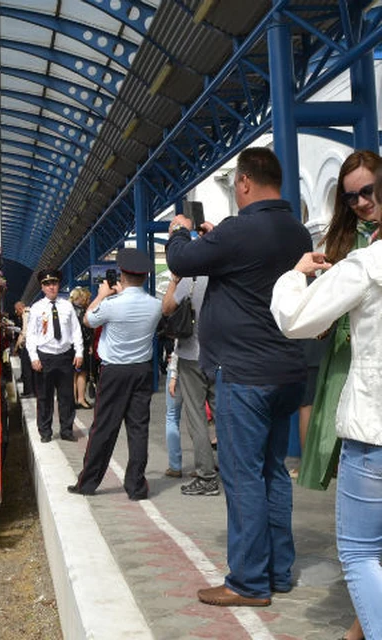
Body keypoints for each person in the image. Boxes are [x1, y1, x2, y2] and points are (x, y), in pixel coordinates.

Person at [166, 147, 310, 608]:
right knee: (273, 472)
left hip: (244, 374)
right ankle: (278, 572)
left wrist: (181, 234)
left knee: (242, 475)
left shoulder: (239, 228)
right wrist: (213, 238)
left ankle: (248, 581)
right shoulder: (296, 230)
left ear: (243, 182)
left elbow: (182, 263)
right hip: (285, 370)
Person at [269, 217, 382, 640]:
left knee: (359, 552)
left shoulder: (368, 264)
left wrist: (296, 275)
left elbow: (295, 319)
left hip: (373, 431)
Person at [299, 150, 381, 492]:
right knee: (342, 432)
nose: (360, 202)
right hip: (347, 353)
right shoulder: (344, 239)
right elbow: (318, 310)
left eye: (367, 191)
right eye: (350, 197)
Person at [67, 248, 162, 500]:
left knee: (104, 428)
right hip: (142, 370)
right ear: (144, 277)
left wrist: (101, 295)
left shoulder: (110, 304)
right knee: (138, 429)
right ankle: (136, 487)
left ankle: (88, 483)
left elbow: (88, 320)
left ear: (121, 274)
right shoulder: (155, 305)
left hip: (114, 372)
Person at [163, 272, 218, 496]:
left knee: (197, 418)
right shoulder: (225, 274)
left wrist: (174, 282)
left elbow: (167, 308)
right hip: (222, 355)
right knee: (225, 416)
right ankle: (237, 472)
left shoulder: (191, 280)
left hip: (192, 357)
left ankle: (206, 475)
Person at [26, 270, 84, 443]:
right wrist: (33, 357)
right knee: (44, 397)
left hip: (65, 356)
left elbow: (76, 330)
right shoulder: (37, 308)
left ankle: (66, 430)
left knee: (66, 396)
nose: (51, 287)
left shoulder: (67, 306)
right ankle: (45, 432)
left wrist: (79, 352)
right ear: (42, 287)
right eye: (47, 284)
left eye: (54, 283)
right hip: (45, 358)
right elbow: (31, 335)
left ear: (59, 285)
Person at [68, 287, 94, 409]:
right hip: (80, 346)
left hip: (71, 347)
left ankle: (73, 400)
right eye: (87, 298)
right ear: (82, 298)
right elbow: (87, 330)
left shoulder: (69, 310)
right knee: (81, 373)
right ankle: (81, 399)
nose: (88, 300)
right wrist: (89, 345)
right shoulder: (82, 312)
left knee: (74, 374)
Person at [164, 348, 182, 478]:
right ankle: (204, 464)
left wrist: (173, 375)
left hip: (177, 370)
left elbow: (178, 346)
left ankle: (175, 465)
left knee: (172, 416)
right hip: (201, 367)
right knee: (198, 418)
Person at [12, 301, 34, 397]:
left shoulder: (25, 314)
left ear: (20, 308)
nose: (16, 313)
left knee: (26, 368)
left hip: (28, 344)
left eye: (17, 310)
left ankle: (28, 391)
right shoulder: (32, 311)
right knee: (33, 369)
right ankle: (35, 390)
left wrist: (16, 346)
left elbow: (24, 332)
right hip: (35, 344)